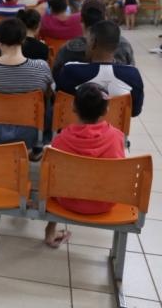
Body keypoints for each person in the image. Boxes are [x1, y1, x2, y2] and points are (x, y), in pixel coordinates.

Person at [43, 83, 125, 248]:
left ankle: (50, 229)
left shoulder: (61, 139)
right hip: (104, 203)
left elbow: (52, 177)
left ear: (73, 107)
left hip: (67, 200)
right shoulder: (117, 137)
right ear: (106, 110)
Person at [0, 18, 53, 160]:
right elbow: (49, 94)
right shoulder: (41, 67)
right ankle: (38, 148)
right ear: (24, 39)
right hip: (29, 134)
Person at [56, 20, 144, 117]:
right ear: (116, 45)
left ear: (93, 42)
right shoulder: (132, 74)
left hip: (75, 125)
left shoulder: (70, 70)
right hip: (115, 127)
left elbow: (60, 103)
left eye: (87, 41)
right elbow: (135, 111)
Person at [52, 0, 135, 77]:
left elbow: (56, 75)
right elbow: (131, 72)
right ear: (105, 18)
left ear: (81, 20)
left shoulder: (68, 48)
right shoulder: (124, 45)